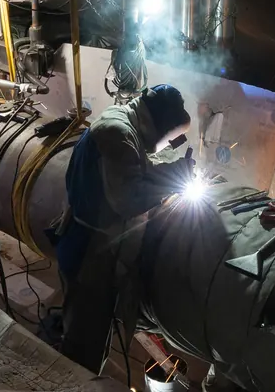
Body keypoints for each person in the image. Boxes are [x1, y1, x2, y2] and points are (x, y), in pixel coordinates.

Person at [51, 84, 195, 368]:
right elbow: (128, 199)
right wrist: (174, 181)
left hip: (90, 246)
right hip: (89, 254)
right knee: (84, 346)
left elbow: (133, 171)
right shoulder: (117, 135)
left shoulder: (122, 120)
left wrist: (173, 171)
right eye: (170, 138)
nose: (168, 144)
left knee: (87, 328)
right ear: (160, 125)